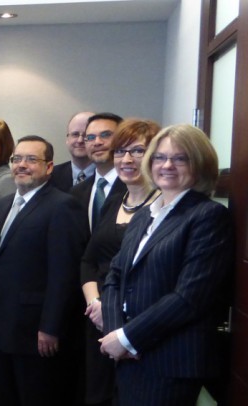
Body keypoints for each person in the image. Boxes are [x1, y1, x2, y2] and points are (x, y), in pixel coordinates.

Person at [100, 124, 234, 406]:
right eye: (159, 157)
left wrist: (127, 338)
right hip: (129, 358)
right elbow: (115, 277)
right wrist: (116, 336)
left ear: (200, 164)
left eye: (180, 158)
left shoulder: (207, 216)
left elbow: (190, 297)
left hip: (169, 364)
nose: (167, 165)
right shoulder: (144, 215)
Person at [0, 135, 88, 406]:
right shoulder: (2, 205)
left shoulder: (62, 206)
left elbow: (64, 274)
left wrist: (51, 327)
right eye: (17, 159)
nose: (22, 165)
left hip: (36, 333)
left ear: (49, 167)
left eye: (32, 159)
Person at [78, 119, 160, 406]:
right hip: (97, 321)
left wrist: (109, 312)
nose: (126, 159)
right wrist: (95, 305)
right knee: (96, 397)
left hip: (137, 327)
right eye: (120, 152)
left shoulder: (163, 209)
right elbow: (89, 260)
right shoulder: (114, 201)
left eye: (137, 151)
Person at [71, 112, 126, 231]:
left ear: (122, 140)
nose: (97, 142)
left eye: (106, 135)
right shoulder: (76, 193)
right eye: (90, 137)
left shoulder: (135, 188)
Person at [50, 111, 96, 192]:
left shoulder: (110, 176)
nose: (80, 140)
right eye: (75, 134)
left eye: (86, 135)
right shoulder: (50, 176)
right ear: (67, 139)